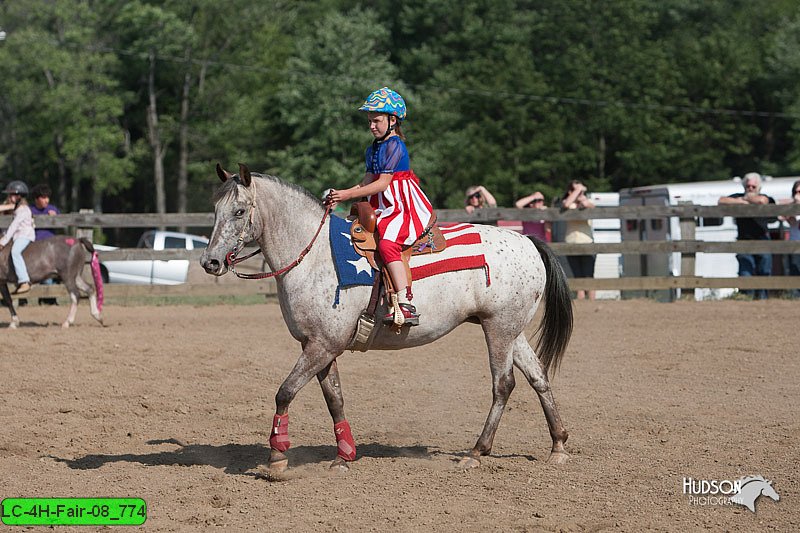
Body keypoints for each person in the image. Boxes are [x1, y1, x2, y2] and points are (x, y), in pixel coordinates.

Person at [325, 87, 434, 326]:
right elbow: (366, 182)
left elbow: (383, 183)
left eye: (376, 121)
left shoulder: (395, 146)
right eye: (369, 121)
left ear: (392, 120)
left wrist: (346, 195)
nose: (372, 126)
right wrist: (343, 194)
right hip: (382, 201)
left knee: (387, 243)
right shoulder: (373, 148)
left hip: (401, 203)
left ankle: (405, 302)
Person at [718, 172, 776, 299]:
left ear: (759, 187)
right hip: (744, 241)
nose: (750, 189)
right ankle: (746, 300)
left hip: (763, 241)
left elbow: (762, 201)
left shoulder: (765, 197)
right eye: (748, 186)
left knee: (764, 272)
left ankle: (762, 300)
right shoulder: (738, 197)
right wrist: (743, 200)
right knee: (745, 273)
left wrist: (744, 200)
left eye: (753, 187)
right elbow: (721, 201)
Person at [561, 180, 595, 300]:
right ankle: (581, 303)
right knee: (577, 276)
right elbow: (566, 204)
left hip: (587, 242)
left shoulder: (586, 202)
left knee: (588, 276)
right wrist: (577, 191)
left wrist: (581, 196)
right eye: (576, 190)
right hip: (571, 243)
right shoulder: (568, 204)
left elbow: (588, 205)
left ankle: (592, 302)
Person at [0, 180, 35, 294]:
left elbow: (13, 227)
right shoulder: (18, 209)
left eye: (12, 195)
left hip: (24, 236)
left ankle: (24, 281)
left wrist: (3, 242)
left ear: (19, 196)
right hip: (19, 235)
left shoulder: (23, 210)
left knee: (15, 252)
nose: (9, 197)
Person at [29, 184, 61, 305]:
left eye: (47, 197)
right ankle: (25, 299)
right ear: (36, 199)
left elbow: (63, 223)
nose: (46, 200)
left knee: (50, 273)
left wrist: (56, 218)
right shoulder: (30, 210)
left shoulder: (52, 209)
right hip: (35, 247)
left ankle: (49, 299)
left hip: (51, 248)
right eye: (43, 197)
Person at [781, 180, 800, 298]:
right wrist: (794, 204)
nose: (798, 194)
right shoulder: (791, 206)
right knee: (795, 271)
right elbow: (784, 217)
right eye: (796, 192)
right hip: (795, 245)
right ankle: (796, 298)